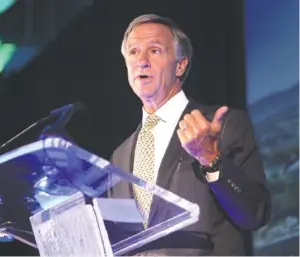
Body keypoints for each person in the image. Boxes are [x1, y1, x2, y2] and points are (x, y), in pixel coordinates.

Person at [108, 14, 271, 255]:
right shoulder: (119, 157)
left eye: (154, 51)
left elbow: (256, 213)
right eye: (133, 52)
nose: (141, 61)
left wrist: (210, 159)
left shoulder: (223, 126)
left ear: (180, 64)